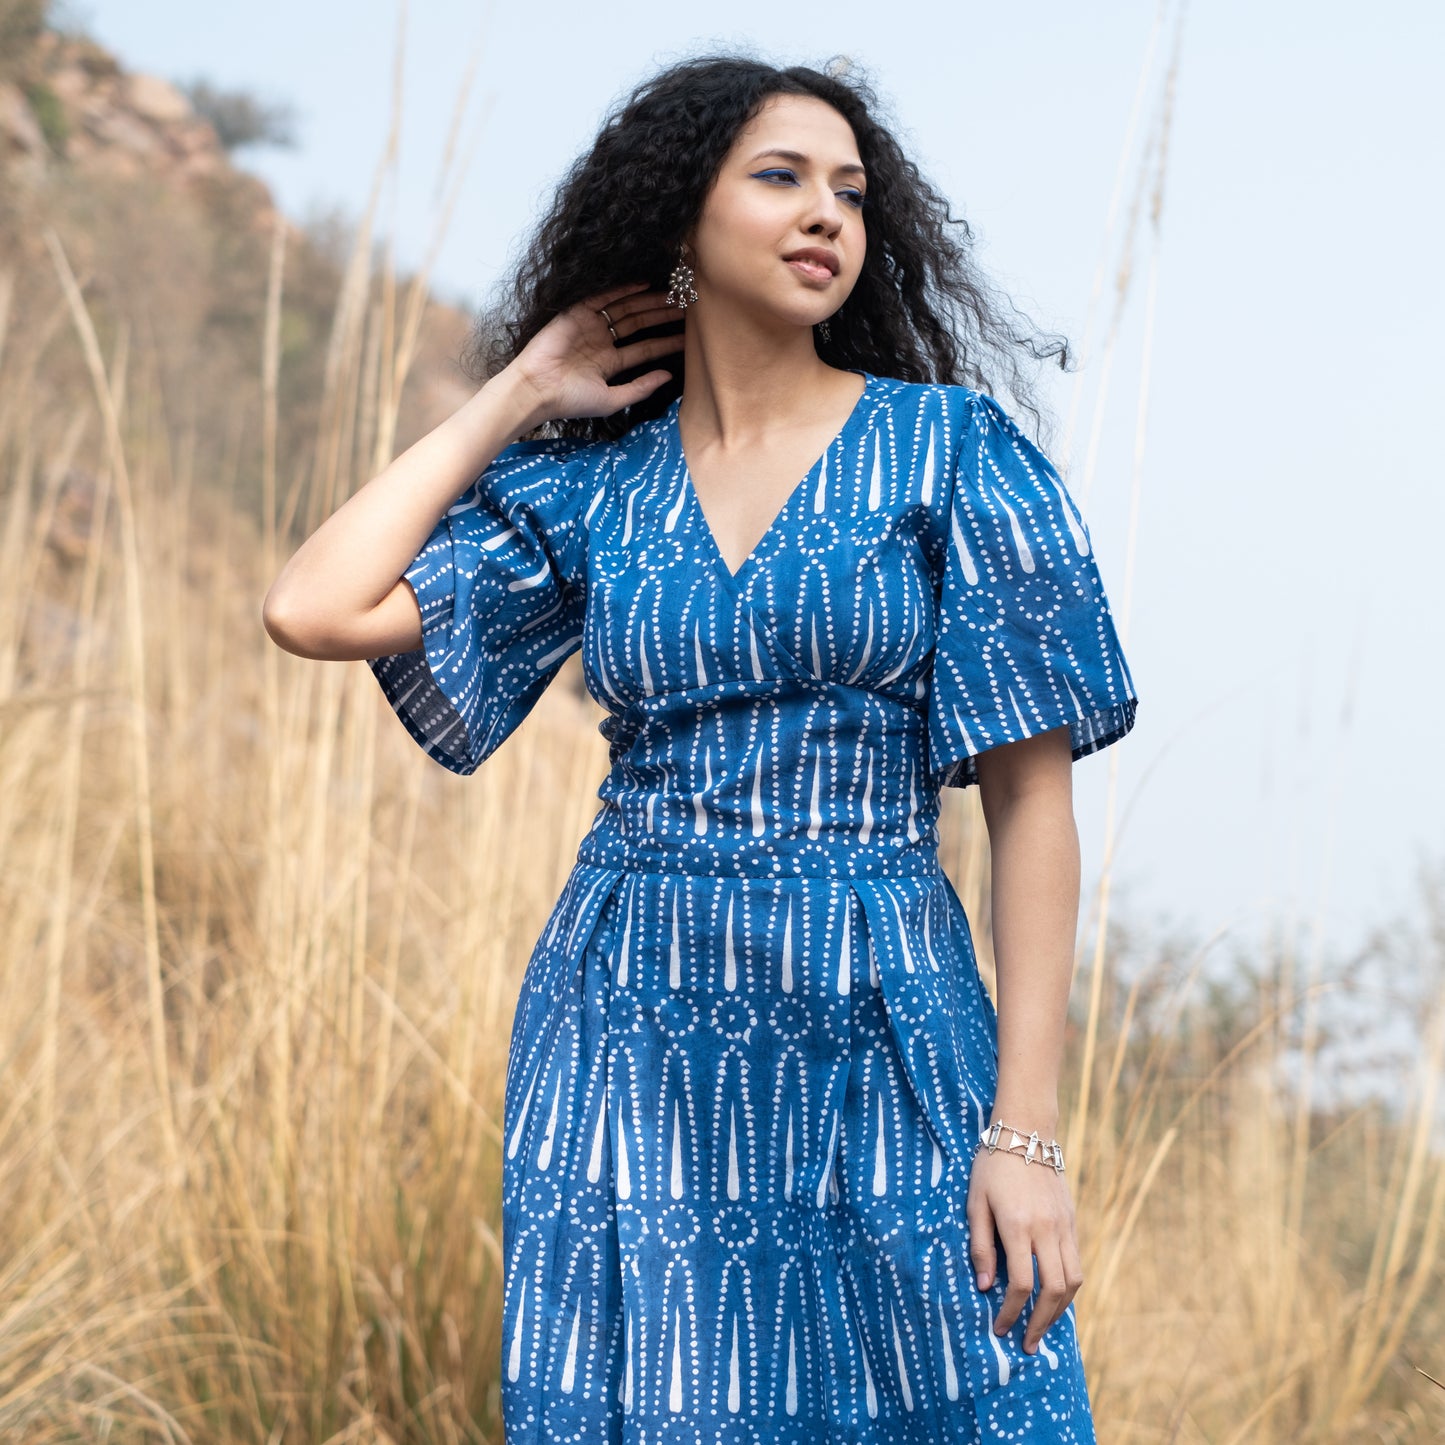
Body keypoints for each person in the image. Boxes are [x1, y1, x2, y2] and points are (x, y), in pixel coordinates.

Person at [263, 52, 1139, 1444]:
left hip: (879, 1005)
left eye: (850, 191)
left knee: (966, 1389)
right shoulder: (597, 482)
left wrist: (1022, 1133)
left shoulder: (949, 453)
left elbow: (1031, 806)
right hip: (630, 1016)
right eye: (780, 178)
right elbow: (313, 605)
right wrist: (521, 390)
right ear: (680, 219)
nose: (825, 216)